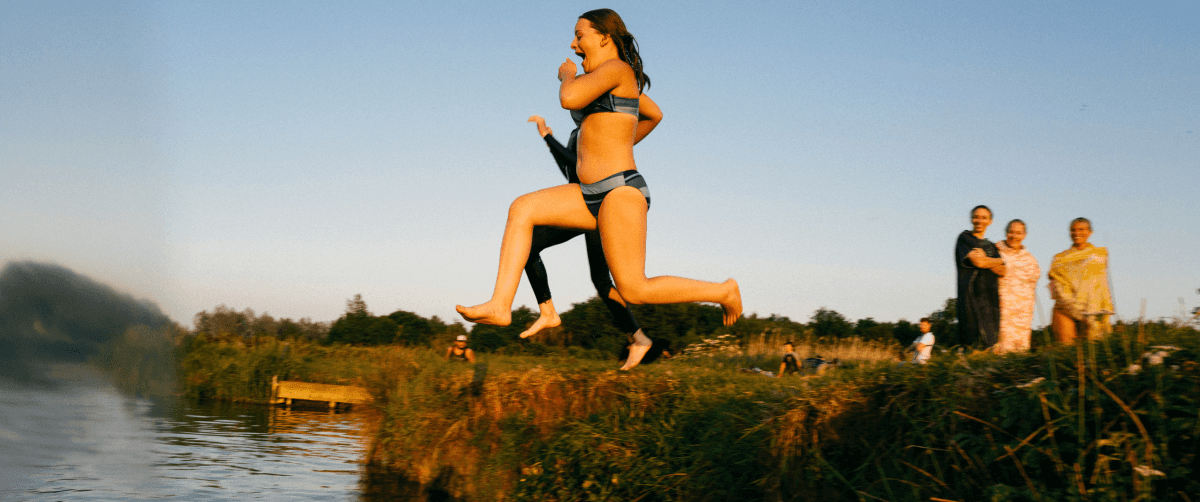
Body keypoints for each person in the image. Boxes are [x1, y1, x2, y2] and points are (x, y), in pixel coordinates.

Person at [456, 9, 742, 367]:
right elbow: (651, 113)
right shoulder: (605, 77)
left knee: (634, 289)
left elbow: (570, 99)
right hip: (589, 193)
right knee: (522, 208)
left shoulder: (617, 70)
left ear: (605, 37)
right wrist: (621, 135)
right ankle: (500, 305)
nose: (574, 44)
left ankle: (723, 290)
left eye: (580, 35)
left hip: (620, 192)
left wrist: (567, 76)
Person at [518, 96, 661, 362]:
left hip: (598, 207)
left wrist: (547, 137)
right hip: (584, 203)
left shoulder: (594, 131)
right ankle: (638, 338)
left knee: (530, 242)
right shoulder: (579, 132)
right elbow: (570, 171)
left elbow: (575, 164)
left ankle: (550, 311)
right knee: (601, 280)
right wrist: (549, 139)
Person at [1048, 217, 1112, 344]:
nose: (1077, 233)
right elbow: (1054, 283)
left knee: (1095, 348)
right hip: (1066, 307)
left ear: (1090, 232)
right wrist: (1071, 305)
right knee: (1068, 350)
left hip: (1093, 308)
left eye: (1081, 229)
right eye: (1073, 230)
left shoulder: (1100, 254)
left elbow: (1100, 282)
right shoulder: (1059, 258)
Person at [955, 205, 1006, 349]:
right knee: (971, 346)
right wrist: (999, 260)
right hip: (969, 299)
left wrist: (991, 261)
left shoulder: (990, 246)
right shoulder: (964, 238)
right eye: (976, 217)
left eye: (984, 218)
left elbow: (1003, 271)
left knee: (990, 346)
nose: (979, 221)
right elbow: (978, 261)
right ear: (971, 219)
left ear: (990, 221)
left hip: (990, 300)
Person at [995, 219, 1040, 353]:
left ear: (1024, 235)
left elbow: (1033, 284)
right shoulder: (994, 251)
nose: (1014, 236)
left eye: (1018, 233)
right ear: (1006, 233)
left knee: (1020, 355)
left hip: (1023, 317)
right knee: (1000, 353)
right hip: (1000, 313)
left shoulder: (1030, 260)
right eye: (1011, 232)